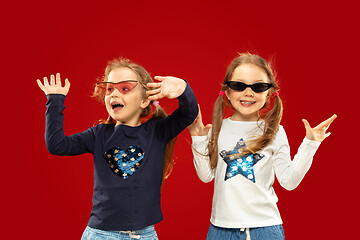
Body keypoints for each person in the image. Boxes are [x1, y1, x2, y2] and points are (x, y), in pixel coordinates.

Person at [37, 58, 198, 240]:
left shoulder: (157, 131)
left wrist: (183, 88)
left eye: (125, 89)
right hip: (100, 235)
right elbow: (57, 145)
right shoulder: (98, 134)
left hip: (144, 235)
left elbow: (188, 113)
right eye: (109, 89)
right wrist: (55, 100)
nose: (114, 94)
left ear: (145, 100)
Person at [188, 53, 336, 240]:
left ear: (269, 93)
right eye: (239, 86)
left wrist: (310, 143)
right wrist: (198, 138)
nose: (248, 93)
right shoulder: (218, 129)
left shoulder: (275, 131)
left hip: (265, 230)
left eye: (258, 87)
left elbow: (289, 182)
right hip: (220, 229)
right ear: (227, 91)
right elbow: (206, 176)